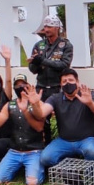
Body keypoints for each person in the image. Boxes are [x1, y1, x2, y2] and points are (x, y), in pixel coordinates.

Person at [29, 69, 94, 168]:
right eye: (64, 81)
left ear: (77, 82)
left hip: (87, 139)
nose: (67, 83)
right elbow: (41, 114)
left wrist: (90, 103)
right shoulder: (55, 98)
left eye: (71, 80)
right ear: (60, 85)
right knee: (45, 158)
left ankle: (85, 169)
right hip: (64, 141)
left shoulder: (87, 95)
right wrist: (34, 104)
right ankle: (67, 171)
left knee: (92, 152)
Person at [0, 77, 46, 185]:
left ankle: (35, 169)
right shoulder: (10, 105)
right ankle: (18, 168)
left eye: (23, 84)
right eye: (17, 85)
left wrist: (26, 110)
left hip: (33, 151)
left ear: (28, 85)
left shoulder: (37, 103)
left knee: (32, 183)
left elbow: (40, 128)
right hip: (14, 151)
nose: (20, 87)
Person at [28, 14, 73, 142]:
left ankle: (64, 144)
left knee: (62, 118)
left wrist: (42, 61)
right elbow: (32, 70)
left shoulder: (66, 45)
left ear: (57, 28)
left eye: (50, 26)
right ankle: (44, 146)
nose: (46, 29)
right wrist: (35, 62)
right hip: (41, 88)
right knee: (41, 119)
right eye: (45, 26)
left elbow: (64, 65)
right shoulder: (39, 45)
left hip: (57, 88)